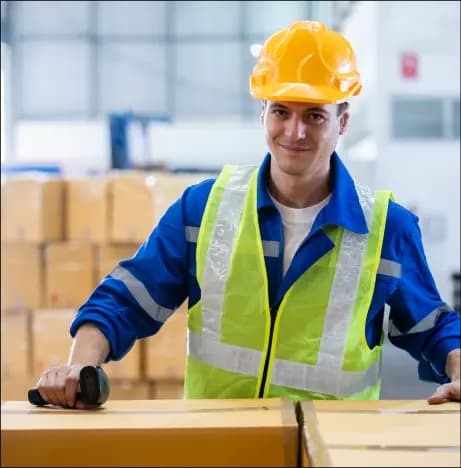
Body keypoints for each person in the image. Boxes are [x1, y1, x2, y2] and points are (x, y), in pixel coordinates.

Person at [35, 20, 460, 409]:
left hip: (330, 449)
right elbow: (125, 299)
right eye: (281, 111)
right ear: (263, 114)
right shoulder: (201, 211)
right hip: (219, 447)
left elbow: (433, 327)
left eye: (314, 115)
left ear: (342, 122)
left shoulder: (386, 227)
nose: (294, 132)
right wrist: (81, 366)